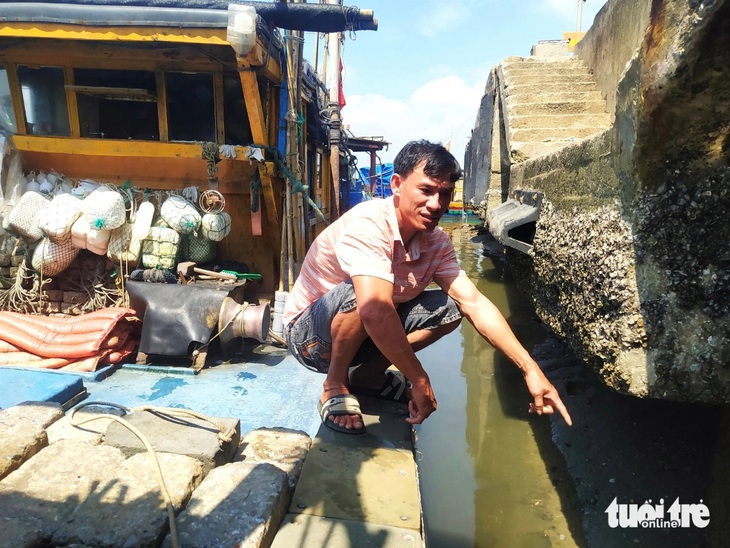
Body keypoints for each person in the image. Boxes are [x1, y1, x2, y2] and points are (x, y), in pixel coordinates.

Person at [283, 140, 572, 434]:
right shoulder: (368, 225)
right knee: (368, 299)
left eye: (445, 194)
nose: (436, 205)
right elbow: (374, 312)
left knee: (450, 309)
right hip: (312, 340)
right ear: (397, 184)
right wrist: (419, 379)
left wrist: (530, 369)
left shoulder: (437, 242)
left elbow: (474, 303)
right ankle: (335, 383)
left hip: (362, 336)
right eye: (426, 190)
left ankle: (368, 377)